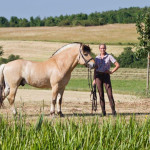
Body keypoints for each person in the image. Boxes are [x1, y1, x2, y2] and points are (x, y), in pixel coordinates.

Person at [93, 44, 120, 116]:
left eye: (104, 48)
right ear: (99, 49)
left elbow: (117, 65)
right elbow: (95, 69)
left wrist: (111, 72)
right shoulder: (97, 57)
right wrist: (94, 79)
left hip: (106, 76)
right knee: (101, 94)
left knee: (110, 94)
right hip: (98, 76)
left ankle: (113, 111)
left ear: (106, 48)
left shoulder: (109, 56)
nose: (103, 49)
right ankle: (103, 112)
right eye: (101, 48)